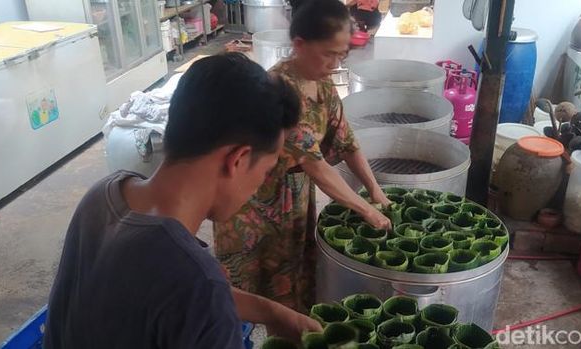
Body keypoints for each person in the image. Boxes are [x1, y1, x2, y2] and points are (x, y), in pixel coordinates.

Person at [44, 53, 321, 348]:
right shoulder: (198, 284)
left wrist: (273, 312)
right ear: (238, 160)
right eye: (266, 171)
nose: (258, 186)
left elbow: (170, 291)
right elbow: (192, 291)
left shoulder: (101, 196)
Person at [214, 0, 392, 314]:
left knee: (290, 295)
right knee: (246, 299)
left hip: (292, 204)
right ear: (299, 44)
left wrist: (375, 189)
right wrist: (366, 209)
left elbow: (347, 142)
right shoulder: (278, 89)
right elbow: (315, 165)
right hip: (251, 206)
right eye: (329, 53)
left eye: (343, 54)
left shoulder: (322, 85)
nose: (336, 63)